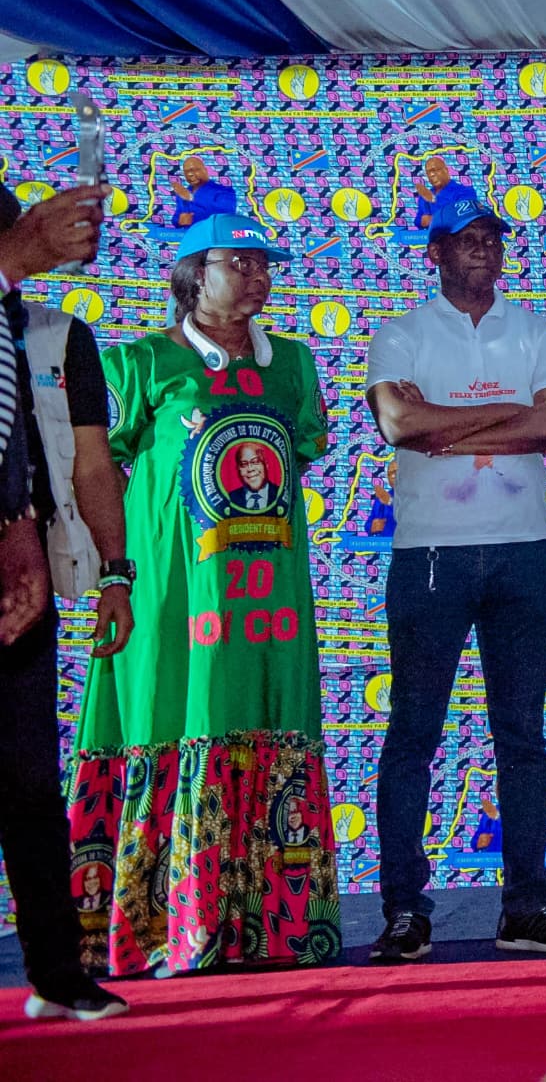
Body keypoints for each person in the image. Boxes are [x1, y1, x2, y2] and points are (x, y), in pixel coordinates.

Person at [69, 214, 340, 976]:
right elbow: (98, 469)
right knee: (169, 715)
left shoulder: (293, 363)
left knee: (269, 724)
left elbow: (297, 455)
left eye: (264, 264)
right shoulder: (141, 363)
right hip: (171, 595)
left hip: (267, 604)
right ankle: (162, 930)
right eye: (239, 263)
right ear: (193, 275)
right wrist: (115, 574)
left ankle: (276, 926)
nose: (258, 276)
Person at [362, 193, 546, 963]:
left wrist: (445, 429)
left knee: (522, 737)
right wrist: (507, 413)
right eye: (467, 239)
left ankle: (526, 909)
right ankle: (405, 910)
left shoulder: (538, 330)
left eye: (492, 237)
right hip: (432, 554)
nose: (484, 249)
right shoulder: (401, 333)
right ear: (435, 252)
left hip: (525, 552)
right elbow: (399, 425)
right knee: (413, 735)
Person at [1, 183, 131, 1020]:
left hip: (26, 583)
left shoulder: (57, 336)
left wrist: (116, 573)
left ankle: (56, 973)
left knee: (29, 782)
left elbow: (90, 462)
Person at [163, 154, 236, 231]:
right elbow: (175, 219)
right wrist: (179, 220)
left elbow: (226, 217)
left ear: (205, 170)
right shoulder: (183, 194)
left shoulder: (224, 191)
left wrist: (192, 199)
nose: (190, 174)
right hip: (189, 236)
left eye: (195, 170)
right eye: (186, 171)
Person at [406, 155, 476, 233]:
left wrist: (433, 219)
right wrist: (424, 221)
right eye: (428, 172)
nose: (432, 174)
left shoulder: (465, 191)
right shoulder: (424, 196)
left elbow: (465, 216)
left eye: (435, 170)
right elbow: (418, 220)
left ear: (446, 170)